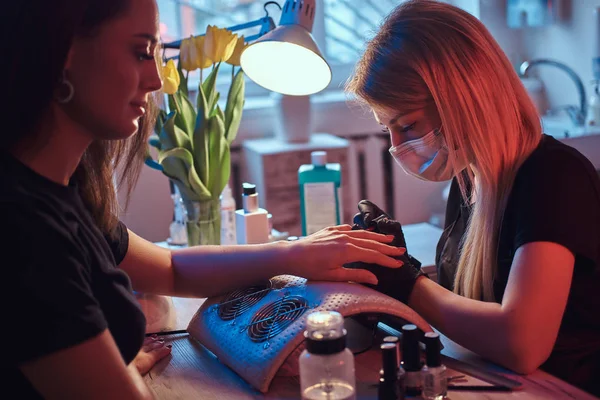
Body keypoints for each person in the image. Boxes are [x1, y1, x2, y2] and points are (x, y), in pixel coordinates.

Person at [1, 1, 406, 398]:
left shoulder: (65, 194)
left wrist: (293, 253)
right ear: (65, 52)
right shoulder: (24, 229)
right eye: (141, 52)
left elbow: (172, 268)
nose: (157, 80)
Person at [345, 0, 600, 396]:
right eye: (387, 131)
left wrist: (409, 282)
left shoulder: (552, 177)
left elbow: (522, 343)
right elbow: (467, 310)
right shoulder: (470, 180)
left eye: (407, 124)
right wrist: (389, 266)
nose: (396, 147)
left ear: (462, 99)